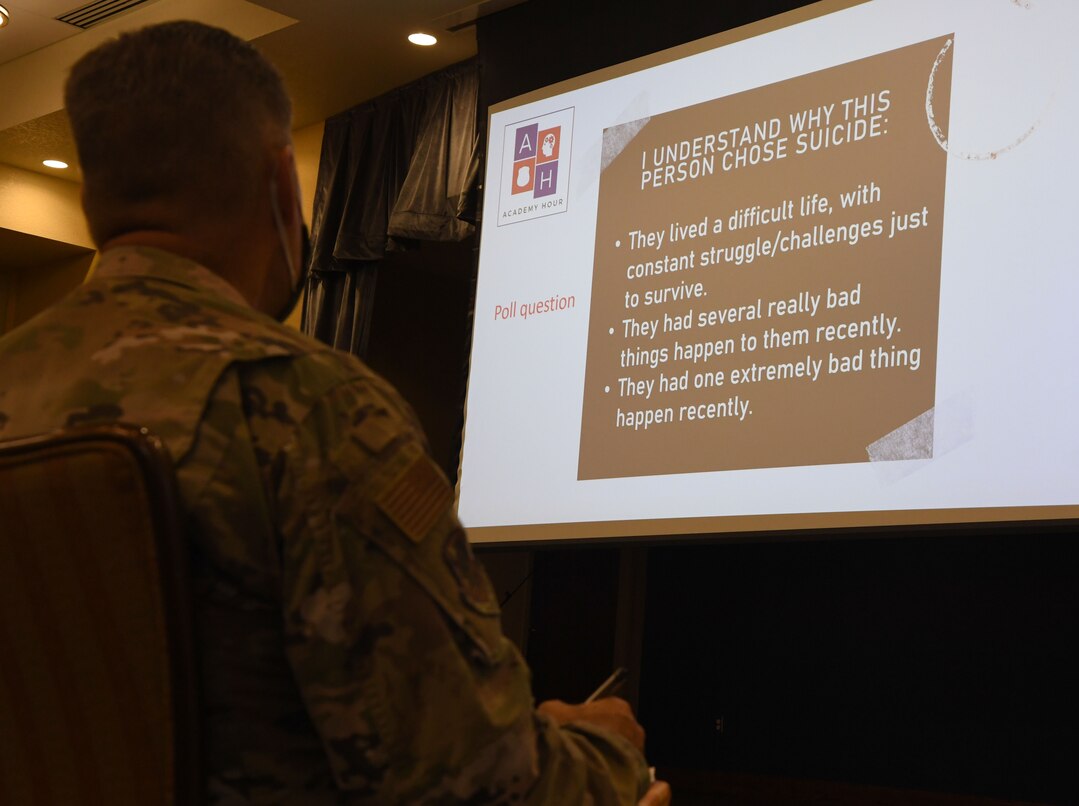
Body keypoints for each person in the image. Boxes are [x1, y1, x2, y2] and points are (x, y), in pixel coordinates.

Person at [0, 20, 671, 806]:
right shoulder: (311, 409)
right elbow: (471, 780)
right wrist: (601, 755)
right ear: (283, 183)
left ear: (91, 201)